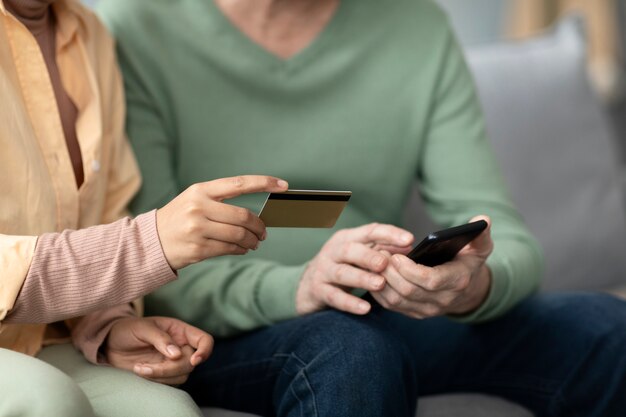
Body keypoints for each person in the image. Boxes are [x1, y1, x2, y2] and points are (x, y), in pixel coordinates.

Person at [97, 0, 626, 415]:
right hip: (220, 333)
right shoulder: (134, 26)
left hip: (373, 314)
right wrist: (301, 286)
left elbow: (500, 229)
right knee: (351, 353)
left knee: (604, 326)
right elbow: (140, 264)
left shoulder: (416, 29)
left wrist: (470, 286)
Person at [0, 0, 288, 416]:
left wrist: (107, 325)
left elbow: (103, 212)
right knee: (45, 401)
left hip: (42, 338)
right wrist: (146, 243)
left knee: (170, 411)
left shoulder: (89, 33)